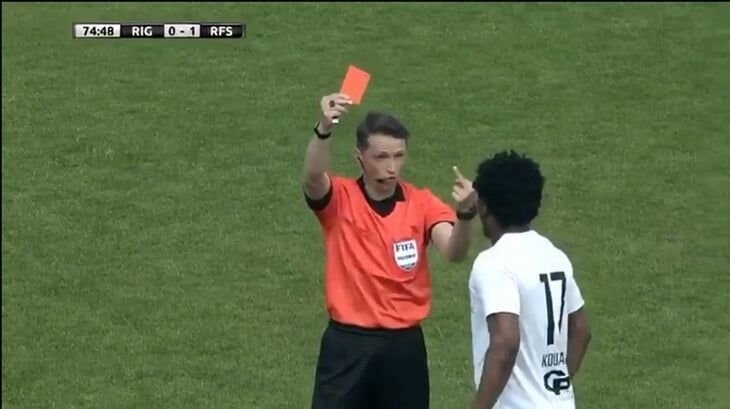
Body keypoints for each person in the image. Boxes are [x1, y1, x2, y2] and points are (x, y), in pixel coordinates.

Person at [302, 92, 478, 409]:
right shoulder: (340, 199)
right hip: (348, 346)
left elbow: (454, 251)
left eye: (398, 156)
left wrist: (466, 215)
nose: (392, 167)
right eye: (381, 157)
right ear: (360, 157)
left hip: (403, 349)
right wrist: (324, 129)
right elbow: (314, 178)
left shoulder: (422, 203)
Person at [467, 150, 592, 409]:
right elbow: (580, 330)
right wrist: (554, 390)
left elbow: (505, 340)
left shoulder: (493, 263)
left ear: (483, 206)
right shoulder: (554, 255)